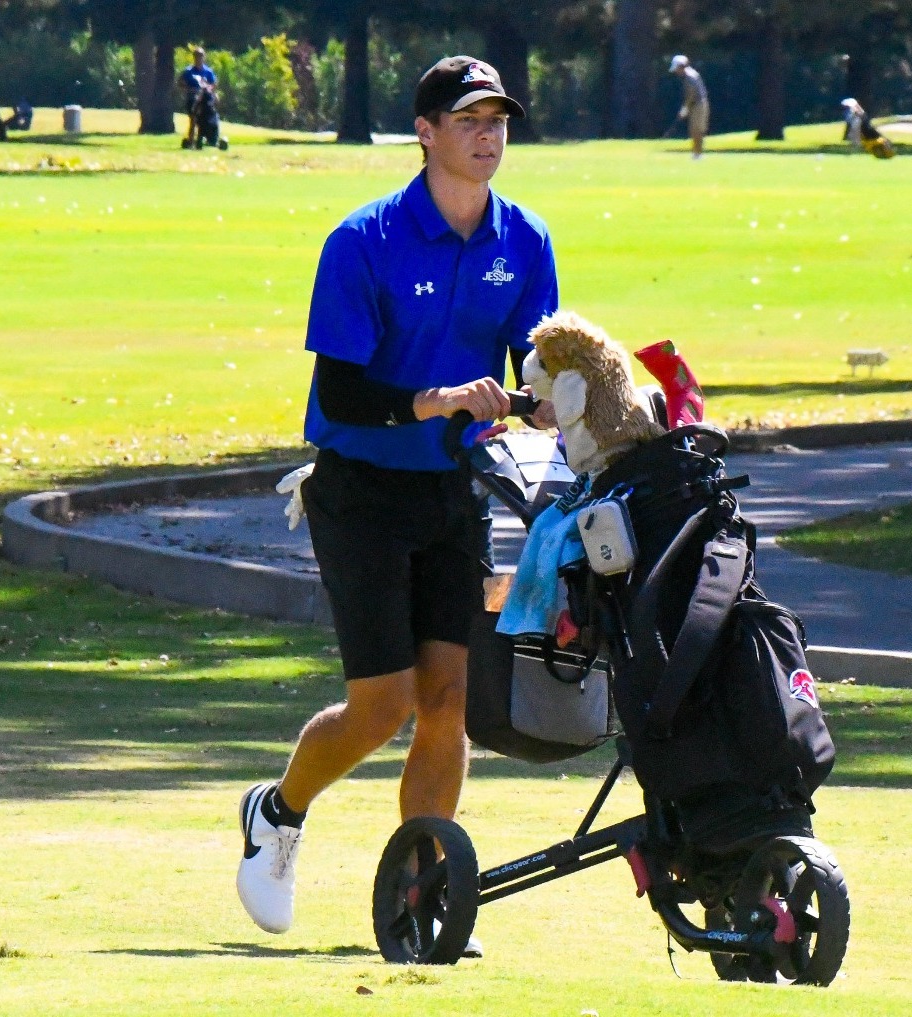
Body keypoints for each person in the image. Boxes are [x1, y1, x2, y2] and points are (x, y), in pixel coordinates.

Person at [236, 55, 560, 944]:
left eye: (498, 121)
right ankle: (277, 809)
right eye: (468, 121)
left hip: (453, 491)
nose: (489, 136)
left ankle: (423, 893)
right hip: (360, 491)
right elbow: (339, 397)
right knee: (383, 706)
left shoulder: (525, 241)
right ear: (425, 134)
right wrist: (442, 397)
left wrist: (562, 403)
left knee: (448, 699)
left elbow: (536, 369)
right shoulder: (363, 241)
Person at [668, 54, 709, 159]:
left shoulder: (689, 77)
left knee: (697, 130)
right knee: (694, 130)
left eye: (677, 68)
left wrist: (684, 110)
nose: (676, 72)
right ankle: (696, 153)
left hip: (698, 104)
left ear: (681, 66)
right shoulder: (689, 75)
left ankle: (698, 154)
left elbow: (691, 95)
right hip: (697, 104)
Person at [179, 49, 216, 146]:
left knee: (207, 116)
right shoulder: (188, 71)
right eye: (197, 57)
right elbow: (181, 83)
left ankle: (208, 137)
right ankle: (191, 139)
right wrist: (189, 89)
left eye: (201, 56)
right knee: (193, 118)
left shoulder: (208, 72)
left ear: (204, 57)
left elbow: (213, 84)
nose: (199, 59)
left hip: (205, 97)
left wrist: (208, 88)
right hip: (192, 97)